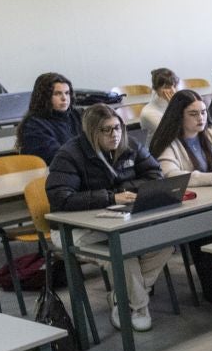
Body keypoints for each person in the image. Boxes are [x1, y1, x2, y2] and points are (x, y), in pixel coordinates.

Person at [45, 105, 171, 333]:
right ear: (92, 132)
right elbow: (60, 199)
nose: (115, 135)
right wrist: (111, 196)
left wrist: (121, 191)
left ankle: (119, 297)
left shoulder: (129, 145)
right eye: (106, 130)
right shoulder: (69, 154)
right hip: (73, 229)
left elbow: (155, 176)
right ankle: (138, 306)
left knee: (164, 242)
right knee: (123, 253)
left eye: (117, 128)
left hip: (118, 221)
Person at [149, 90, 212, 304]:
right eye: (193, 114)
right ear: (179, 116)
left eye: (203, 112)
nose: (201, 118)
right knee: (211, 230)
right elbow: (171, 175)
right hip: (191, 209)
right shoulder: (168, 142)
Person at [16, 72, 78, 163]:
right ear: (45, 97)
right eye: (57, 94)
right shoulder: (34, 124)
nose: (64, 98)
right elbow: (55, 156)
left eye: (67, 93)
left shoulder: (75, 115)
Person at [138, 68, 179, 134]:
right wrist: (174, 107)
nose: (173, 91)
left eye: (174, 86)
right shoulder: (148, 112)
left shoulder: (177, 103)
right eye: (167, 87)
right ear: (156, 89)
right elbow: (170, 132)